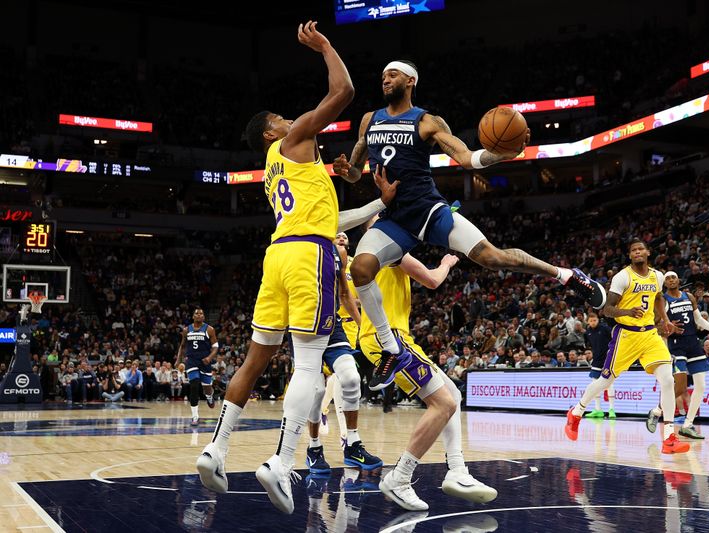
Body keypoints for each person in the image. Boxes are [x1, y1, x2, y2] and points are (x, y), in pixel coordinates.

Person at [197, 22, 395, 516]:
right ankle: (282, 464)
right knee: (309, 364)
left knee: (254, 360)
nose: (292, 120)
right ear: (272, 131)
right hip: (310, 256)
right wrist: (325, 46)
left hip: (279, 255)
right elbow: (344, 91)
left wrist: (374, 205)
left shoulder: (275, 167)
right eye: (283, 118)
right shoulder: (296, 137)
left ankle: (215, 450)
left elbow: (329, 219)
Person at [332, 58, 606, 392]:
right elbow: (358, 170)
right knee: (360, 269)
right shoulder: (368, 120)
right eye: (383, 75)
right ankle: (391, 349)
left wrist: (501, 155)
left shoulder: (427, 122)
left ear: (410, 81)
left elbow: (467, 158)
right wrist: (348, 171)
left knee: (491, 257)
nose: (385, 79)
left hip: (429, 210)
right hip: (395, 219)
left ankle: (567, 275)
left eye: (392, 74)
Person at [358, 215, 496, 511]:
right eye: (379, 220)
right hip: (390, 340)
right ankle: (400, 476)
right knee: (443, 404)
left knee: (453, 397)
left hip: (384, 338)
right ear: (371, 229)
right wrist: (447, 261)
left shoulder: (366, 257)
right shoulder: (384, 249)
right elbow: (432, 280)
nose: (386, 223)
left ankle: (457, 470)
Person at [565, 239, 689, 454]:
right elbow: (607, 310)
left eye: (641, 248)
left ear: (648, 252)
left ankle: (669, 437)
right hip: (627, 336)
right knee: (605, 381)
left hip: (650, 334)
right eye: (633, 250)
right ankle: (576, 412)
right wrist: (627, 312)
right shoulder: (622, 277)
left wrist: (665, 319)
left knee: (668, 380)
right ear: (630, 255)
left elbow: (658, 297)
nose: (638, 252)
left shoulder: (657, 276)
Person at [304, 237, 382, 476]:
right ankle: (314, 447)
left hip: (335, 326)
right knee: (316, 391)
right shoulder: (304, 251)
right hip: (305, 328)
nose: (341, 237)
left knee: (350, 378)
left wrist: (363, 327)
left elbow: (346, 296)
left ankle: (352, 444)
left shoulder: (342, 259)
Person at [646, 272, 709, 439]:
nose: (672, 280)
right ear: (664, 283)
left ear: (679, 279)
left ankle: (688, 424)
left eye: (674, 277)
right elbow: (653, 326)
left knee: (701, 386)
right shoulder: (663, 300)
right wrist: (667, 326)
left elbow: (699, 320)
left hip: (693, 344)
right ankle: (656, 411)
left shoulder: (689, 296)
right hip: (676, 346)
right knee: (680, 387)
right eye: (668, 278)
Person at [176, 308, 219, 425]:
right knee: (194, 385)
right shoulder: (186, 330)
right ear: (193, 316)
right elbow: (183, 346)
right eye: (197, 313)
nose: (199, 315)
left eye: (201, 313)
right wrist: (178, 359)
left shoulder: (209, 329)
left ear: (203, 317)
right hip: (191, 361)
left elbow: (216, 346)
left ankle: (210, 396)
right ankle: (195, 416)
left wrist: (210, 358)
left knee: (207, 388)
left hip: (205, 361)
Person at [583, 313, 615, 418]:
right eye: (591, 321)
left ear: (598, 320)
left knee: (609, 383)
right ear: (588, 321)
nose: (593, 322)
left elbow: (614, 339)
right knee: (595, 384)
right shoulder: (587, 332)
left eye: (595, 320)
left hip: (608, 359)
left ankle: (611, 410)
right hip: (596, 360)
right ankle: (598, 409)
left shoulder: (605, 328)